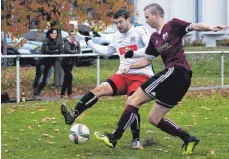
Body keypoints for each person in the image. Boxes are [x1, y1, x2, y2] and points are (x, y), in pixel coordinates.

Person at [94, 3, 229, 154]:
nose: (146, 21)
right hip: (178, 80)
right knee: (154, 118)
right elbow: (146, 60)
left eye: (147, 17)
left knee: (133, 100)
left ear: (156, 15)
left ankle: (113, 137)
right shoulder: (154, 38)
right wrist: (130, 67)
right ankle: (188, 138)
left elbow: (194, 26)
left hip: (177, 71)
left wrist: (210, 28)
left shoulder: (173, 25)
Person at [60, 9, 154, 149]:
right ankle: (73, 114)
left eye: (121, 22)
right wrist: (90, 42)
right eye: (116, 23)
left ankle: (136, 141)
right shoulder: (116, 36)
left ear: (128, 19)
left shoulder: (140, 31)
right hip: (122, 74)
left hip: (142, 74)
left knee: (131, 103)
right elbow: (107, 52)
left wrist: (132, 53)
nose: (119, 25)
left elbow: (149, 49)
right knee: (100, 89)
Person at [33, 28, 63, 98]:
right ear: (49, 34)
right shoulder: (46, 40)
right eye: (53, 33)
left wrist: (54, 52)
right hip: (42, 62)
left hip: (50, 63)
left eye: (55, 33)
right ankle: (35, 93)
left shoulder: (58, 40)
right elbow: (47, 51)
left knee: (46, 81)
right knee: (38, 78)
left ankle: (37, 93)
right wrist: (56, 52)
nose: (54, 35)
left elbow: (61, 50)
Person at [60, 30, 80, 99]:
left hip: (71, 62)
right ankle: (69, 93)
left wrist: (76, 52)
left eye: (74, 34)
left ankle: (63, 93)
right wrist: (75, 51)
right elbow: (67, 50)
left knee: (67, 77)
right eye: (72, 34)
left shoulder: (77, 42)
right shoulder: (67, 41)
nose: (73, 36)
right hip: (64, 62)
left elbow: (79, 51)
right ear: (69, 35)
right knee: (70, 76)